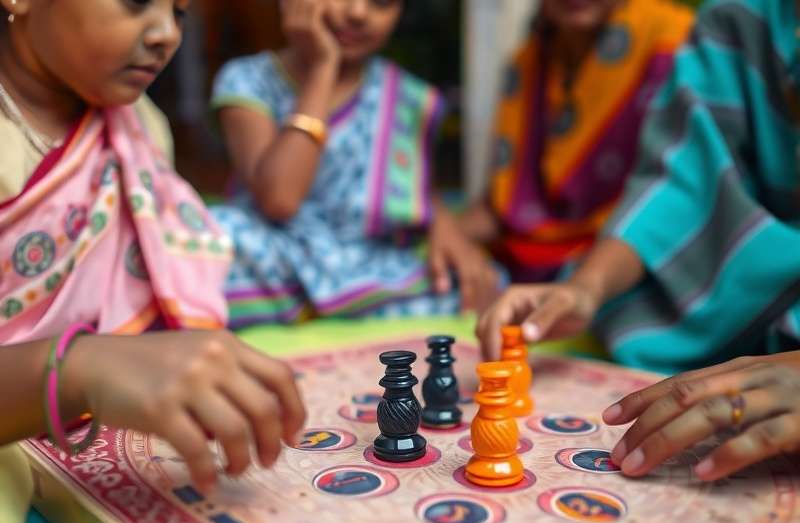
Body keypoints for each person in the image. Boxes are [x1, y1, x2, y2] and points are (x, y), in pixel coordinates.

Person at [477, 0, 800, 481]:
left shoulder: (665, 35)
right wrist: (585, 287)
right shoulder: (738, 17)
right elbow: (682, 181)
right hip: (720, 288)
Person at [0, 0, 306, 498]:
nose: (166, 33)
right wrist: (80, 368)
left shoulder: (141, 126)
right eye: (138, 2)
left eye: (181, 12)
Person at [210, 0, 499, 328]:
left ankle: (314, 305)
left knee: (466, 274)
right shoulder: (247, 80)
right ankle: (352, 304)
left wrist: (441, 224)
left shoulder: (409, 97)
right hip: (273, 253)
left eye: (381, 2)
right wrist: (323, 68)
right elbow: (279, 199)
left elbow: (412, 193)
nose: (359, 13)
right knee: (216, 235)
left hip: (366, 255)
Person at [440, 0, 693, 283]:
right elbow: (506, 205)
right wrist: (442, 230)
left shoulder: (674, 45)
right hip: (527, 264)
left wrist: (588, 285)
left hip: (633, 264)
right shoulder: (529, 63)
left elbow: (682, 204)